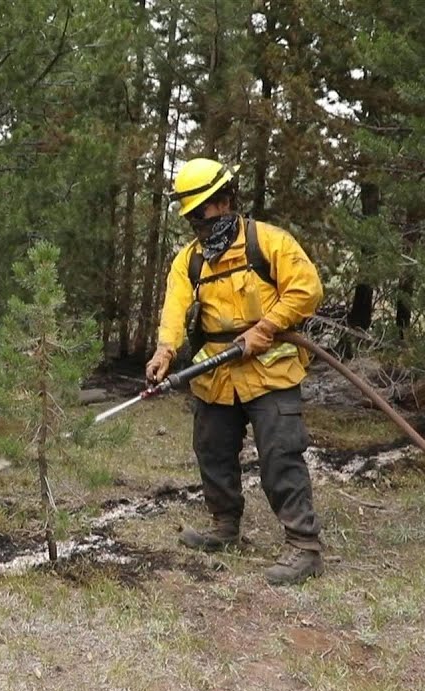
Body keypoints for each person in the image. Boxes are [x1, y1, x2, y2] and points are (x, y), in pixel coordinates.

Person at [146, 157, 326, 585]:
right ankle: (225, 526)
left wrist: (266, 327)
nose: (197, 223)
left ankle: (304, 545)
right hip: (216, 374)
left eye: (201, 213)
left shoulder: (269, 243)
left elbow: (307, 289)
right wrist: (165, 351)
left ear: (225, 201)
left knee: (280, 455)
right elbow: (174, 308)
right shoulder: (189, 261)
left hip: (270, 370)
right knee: (212, 450)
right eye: (190, 217)